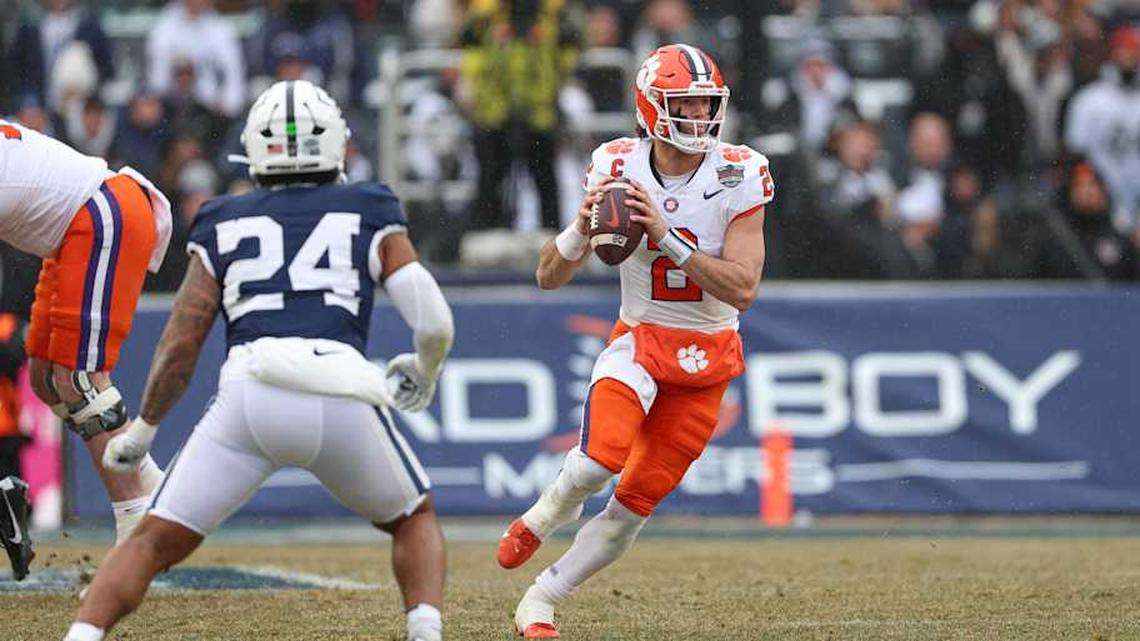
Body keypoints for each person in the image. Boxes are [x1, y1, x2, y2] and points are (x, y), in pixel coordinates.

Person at [61, 80, 454, 641]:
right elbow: (435, 321)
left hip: (251, 392)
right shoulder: (370, 205)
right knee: (412, 518)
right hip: (337, 387)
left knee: (150, 540)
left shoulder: (223, 216)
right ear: (338, 143)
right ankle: (425, 630)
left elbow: (181, 341)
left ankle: (82, 637)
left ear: (254, 147)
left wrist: (145, 430)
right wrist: (425, 369)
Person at [497, 44, 773, 638]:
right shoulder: (616, 165)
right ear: (652, 108)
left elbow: (744, 288)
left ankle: (540, 600)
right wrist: (581, 225)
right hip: (640, 338)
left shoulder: (741, 171)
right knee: (599, 459)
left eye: (706, 106)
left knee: (631, 511)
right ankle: (545, 513)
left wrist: (667, 236)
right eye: (687, 106)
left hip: (708, 356)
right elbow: (548, 276)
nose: (699, 119)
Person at [0, 117, 173, 581]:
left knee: (79, 379)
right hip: (74, 231)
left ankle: (137, 524)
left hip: (102, 213)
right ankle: (155, 486)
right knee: (44, 380)